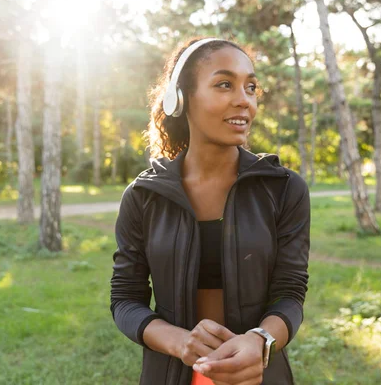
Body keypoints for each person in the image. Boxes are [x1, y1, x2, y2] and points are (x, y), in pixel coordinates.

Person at [110, 37, 310, 385]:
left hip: (259, 373)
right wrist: (179, 342)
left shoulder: (284, 188)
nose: (243, 100)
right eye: (224, 85)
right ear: (181, 99)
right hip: (169, 374)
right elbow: (126, 299)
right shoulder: (143, 196)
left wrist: (259, 341)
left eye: (251, 87)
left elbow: (290, 293)